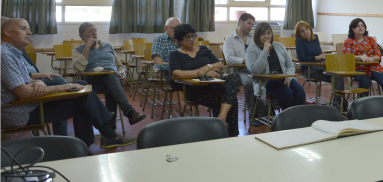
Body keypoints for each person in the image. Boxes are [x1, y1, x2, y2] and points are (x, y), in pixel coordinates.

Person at [0, 18, 136, 148]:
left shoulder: (13, 54)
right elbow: (24, 93)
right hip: (21, 112)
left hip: (28, 105)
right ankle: (105, 134)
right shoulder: (4, 55)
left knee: (82, 87)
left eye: (28, 29)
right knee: (82, 99)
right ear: (7, 32)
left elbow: (25, 79)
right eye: (24, 29)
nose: (29, 33)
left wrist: (36, 81)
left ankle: (96, 140)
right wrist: (65, 86)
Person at [168, 23, 242, 136]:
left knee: (235, 76)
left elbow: (220, 65)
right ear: (179, 39)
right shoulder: (175, 54)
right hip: (196, 90)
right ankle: (229, 134)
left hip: (216, 84)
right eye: (188, 37)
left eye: (193, 36)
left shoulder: (203, 49)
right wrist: (201, 72)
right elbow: (176, 74)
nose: (192, 39)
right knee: (230, 99)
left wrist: (208, 67)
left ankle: (221, 119)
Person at [72, 22, 146, 127]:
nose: (94, 33)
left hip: (111, 79)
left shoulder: (107, 46)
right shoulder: (77, 50)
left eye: (95, 30)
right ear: (81, 36)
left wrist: (122, 74)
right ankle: (129, 112)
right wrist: (87, 47)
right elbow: (78, 69)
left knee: (110, 84)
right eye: (90, 31)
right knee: (111, 80)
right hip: (93, 81)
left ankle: (111, 128)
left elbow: (119, 66)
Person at [246, 22, 306, 110]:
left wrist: (288, 77)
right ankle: (287, 118)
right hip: (266, 82)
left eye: (268, 33)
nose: (266, 36)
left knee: (300, 93)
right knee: (287, 94)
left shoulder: (279, 46)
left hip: (284, 77)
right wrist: (265, 51)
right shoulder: (251, 49)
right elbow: (255, 70)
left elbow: (290, 65)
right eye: (263, 34)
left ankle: (295, 116)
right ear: (257, 36)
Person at [223, 13, 266, 127]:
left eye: (252, 25)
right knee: (250, 82)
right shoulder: (229, 39)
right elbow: (229, 60)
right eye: (248, 23)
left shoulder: (254, 39)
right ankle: (253, 115)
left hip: (255, 70)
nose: (250, 27)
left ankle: (264, 114)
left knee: (265, 80)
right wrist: (245, 60)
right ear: (240, 22)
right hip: (239, 71)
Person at [294, 20, 345, 109]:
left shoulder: (315, 37)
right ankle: (341, 103)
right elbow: (302, 58)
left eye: (307, 29)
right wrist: (316, 58)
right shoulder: (299, 41)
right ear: (299, 34)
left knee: (338, 75)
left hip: (321, 65)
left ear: (310, 29)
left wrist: (321, 58)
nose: (306, 32)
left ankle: (338, 103)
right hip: (309, 69)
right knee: (336, 76)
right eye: (302, 31)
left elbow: (320, 53)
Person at [342, 18, 383, 96]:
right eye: (358, 26)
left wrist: (370, 59)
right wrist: (360, 57)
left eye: (362, 26)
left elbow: (378, 55)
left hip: (373, 66)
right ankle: (362, 104)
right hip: (357, 68)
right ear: (353, 29)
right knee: (365, 81)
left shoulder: (370, 39)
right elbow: (347, 57)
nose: (360, 28)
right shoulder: (348, 41)